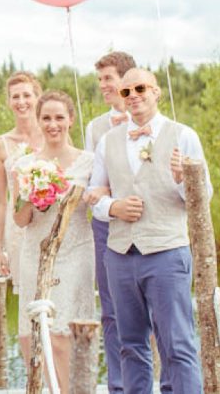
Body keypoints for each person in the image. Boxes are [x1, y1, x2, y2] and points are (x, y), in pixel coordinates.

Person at [88, 68, 213, 394]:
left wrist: (182, 178)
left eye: (140, 88)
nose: (134, 96)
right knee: (129, 344)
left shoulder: (184, 135)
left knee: (177, 345)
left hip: (166, 253)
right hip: (120, 256)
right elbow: (95, 194)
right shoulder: (107, 141)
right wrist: (113, 208)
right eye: (126, 92)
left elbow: (202, 201)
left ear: (156, 91)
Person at [12, 90, 95, 394]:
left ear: (71, 120)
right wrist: (30, 194)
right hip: (35, 253)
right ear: (38, 120)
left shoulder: (90, 162)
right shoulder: (25, 165)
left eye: (59, 117)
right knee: (30, 335)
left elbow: (98, 205)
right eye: (46, 118)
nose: (53, 124)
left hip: (76, 252)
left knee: (65, 334)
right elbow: (20, 220)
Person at [82, 51, 135, 394]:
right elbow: (93, 183)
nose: (103, 85)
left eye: (109, 78)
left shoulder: (155, 121)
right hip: (106, 226)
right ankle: (118, 385)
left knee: (149, 310)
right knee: (112, 310)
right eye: (99, 79)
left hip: (147, 225)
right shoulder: (95, 127)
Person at [0, 72, 44, 285]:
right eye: (15, 97)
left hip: (50, 223)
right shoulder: (0, 144)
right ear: (9, 101)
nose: (21, 102)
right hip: (19, 229)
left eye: (27, 95)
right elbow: (0, 199)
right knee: (28, 296)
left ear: (37, 97)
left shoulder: (54, 132)